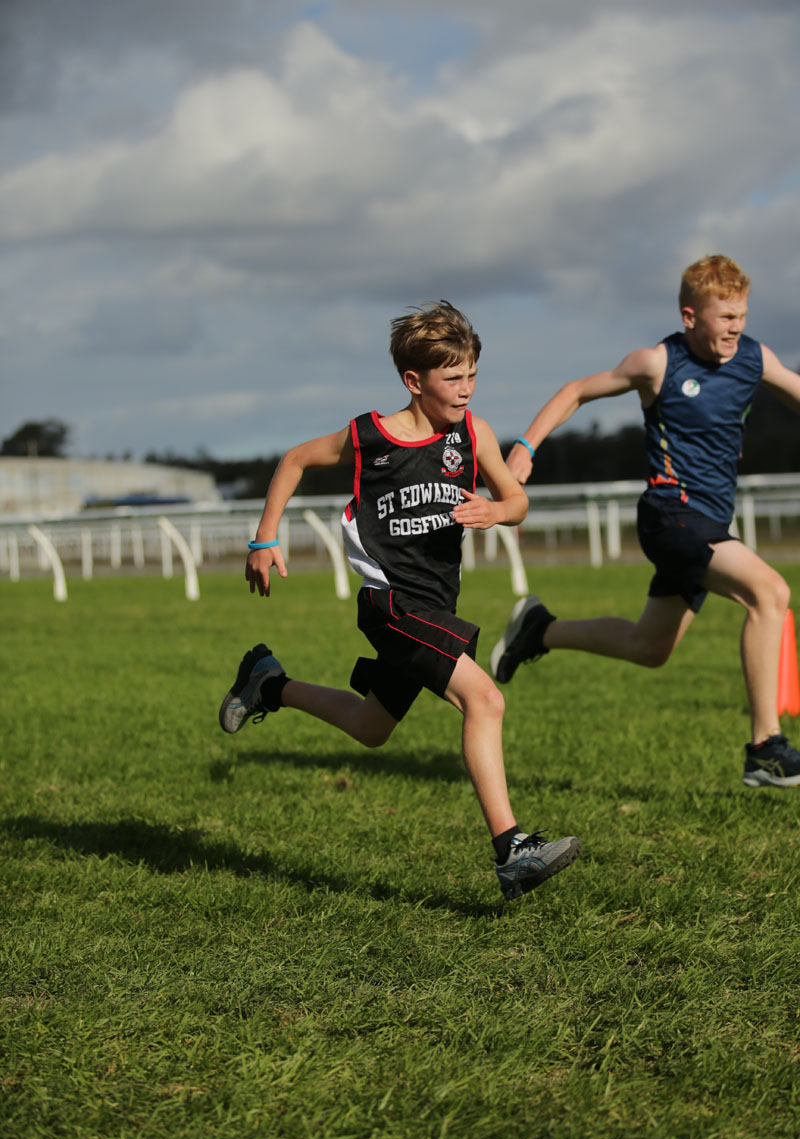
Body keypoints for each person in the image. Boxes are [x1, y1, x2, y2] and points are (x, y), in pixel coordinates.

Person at [218, 301, 581, 900]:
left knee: (371, 728)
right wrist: (264, 538)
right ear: (414, 381)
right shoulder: (368, 438)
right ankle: (512, 850)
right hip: (391, 604)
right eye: (452, 378)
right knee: (485, 700)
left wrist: (496, 510)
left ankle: (268, 683)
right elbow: (294, 460)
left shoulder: (474, 434)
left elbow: (517, 501)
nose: (466, 389)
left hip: (436, 607)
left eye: (472, 375)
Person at [491, 254, 800, 788]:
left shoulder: (754, 358)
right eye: (726, 317)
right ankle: (764, 748)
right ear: (690, 316)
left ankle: (539, 630)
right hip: (669, 514)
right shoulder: (658, 363)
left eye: (743, 315)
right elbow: (576, 391)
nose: (737, 327)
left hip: (710, 523)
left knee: (650, 648)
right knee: (770, 593)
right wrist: (525, 447)